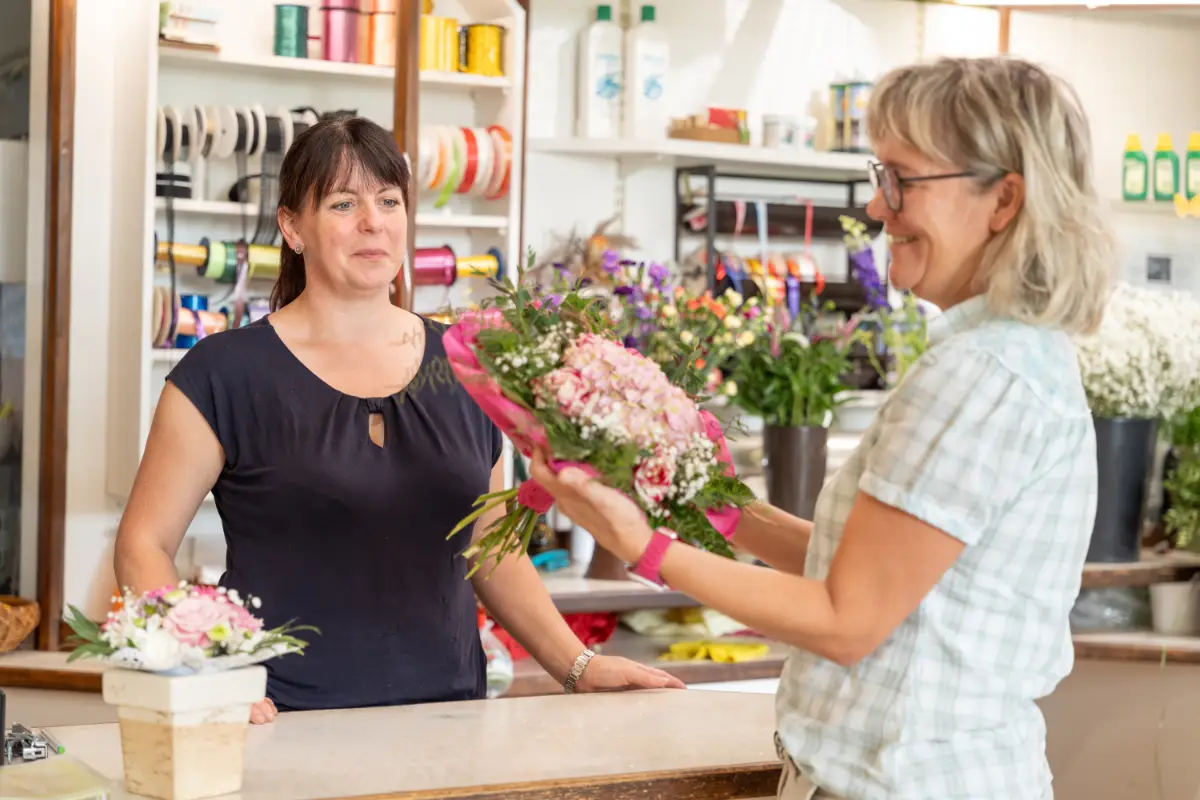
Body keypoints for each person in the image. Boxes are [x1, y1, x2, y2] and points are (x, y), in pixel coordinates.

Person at [531, 56, 1114, 800]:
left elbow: (846, 619)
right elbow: (865, 569)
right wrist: (710, 500)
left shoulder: (982, 374)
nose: (877, 207)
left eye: (903, 180)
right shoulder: (998, 355)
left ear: (1003, 200)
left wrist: (641, 544)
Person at [113, 116, 682, 724]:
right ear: (291, 227)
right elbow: (143, 544)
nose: (372, 222)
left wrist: (577, 664)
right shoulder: (223, 373)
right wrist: (203, 676)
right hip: (279, 723)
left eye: (388, 201)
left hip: (449, 722)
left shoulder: (469, 365)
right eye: (342, 203)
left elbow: (490, 551)